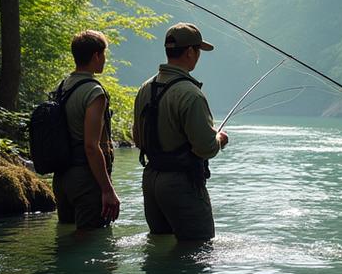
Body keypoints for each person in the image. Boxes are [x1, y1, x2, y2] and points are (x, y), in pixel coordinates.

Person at [133, 22, 229, 242]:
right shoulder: (191, 94)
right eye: (198, 51)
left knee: (159, 247)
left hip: (151, 181)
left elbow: (138, 139)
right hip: (181, 184)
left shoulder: (145, 88)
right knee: (198, 248)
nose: (198, 56)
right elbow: (205, 148)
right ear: (189, 52)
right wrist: (219, 139)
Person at [52, 30, 120, 229]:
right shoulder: (94, 92)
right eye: (104, 55)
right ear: (96, 56)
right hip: (85, 180)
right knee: (92, 244)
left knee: (66, 243)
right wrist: (107, 190)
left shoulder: (62, 87)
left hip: (61, 179)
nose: (104, 60)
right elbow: (91, 146)